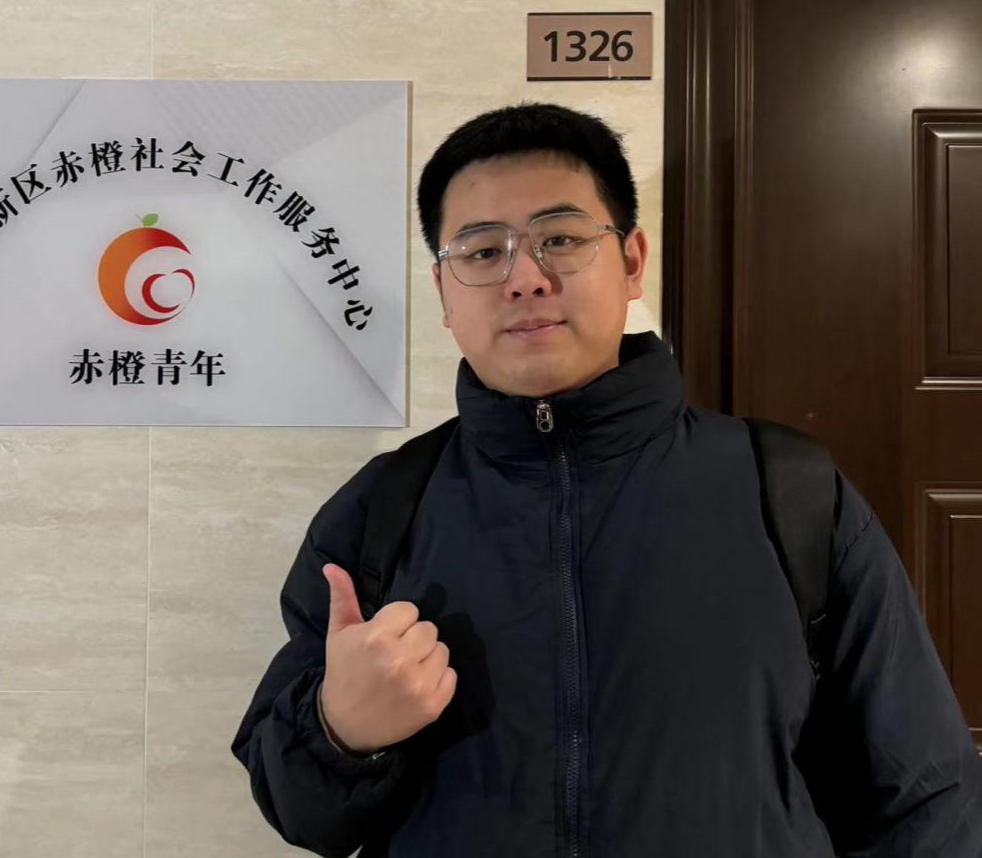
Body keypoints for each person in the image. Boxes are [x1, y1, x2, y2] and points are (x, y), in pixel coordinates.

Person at [230, 103, 982, 857]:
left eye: (559, 239)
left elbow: (928, 795)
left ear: (631, 261)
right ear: (444, 292)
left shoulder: (788, 491)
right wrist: (341, 731)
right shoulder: (381, 507)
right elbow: (301, 814)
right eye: (483, 251)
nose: (525, 279)